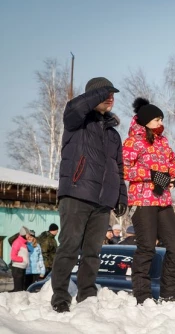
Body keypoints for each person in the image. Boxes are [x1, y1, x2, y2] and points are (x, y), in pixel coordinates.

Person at [52, 77, 128, 313]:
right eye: (106, 94)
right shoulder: (77, 121)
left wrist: (121, 196)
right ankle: (61, 298)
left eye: (113, 95)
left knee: (93, 252)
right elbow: (75, 106)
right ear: (93, 96)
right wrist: (101, 92)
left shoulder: (114, 134)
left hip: (102, 201)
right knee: (69, 247)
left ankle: (87, 295)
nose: (111, 98)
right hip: (77, 193)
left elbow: (119, 168)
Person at [123, 98, 175, 304]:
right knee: (146, 247)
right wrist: (150, 174)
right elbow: (123, 168)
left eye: (161, 119)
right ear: (145, 121)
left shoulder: (163, 142)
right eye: (156, 119)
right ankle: (142, 294)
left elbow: (173, 164)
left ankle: (169, 291)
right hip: (141, 200)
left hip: (162, 199)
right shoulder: (133, 141)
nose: (160, 123)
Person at [10, 227, 30, 292]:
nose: (29, 235)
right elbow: (13, 256)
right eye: (28, 234)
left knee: (22, 289)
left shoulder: (24, 243)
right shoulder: (17, 242)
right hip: (17, 268)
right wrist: (22, 260)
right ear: (24, 234)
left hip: (22, 268)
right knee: (18, 290)